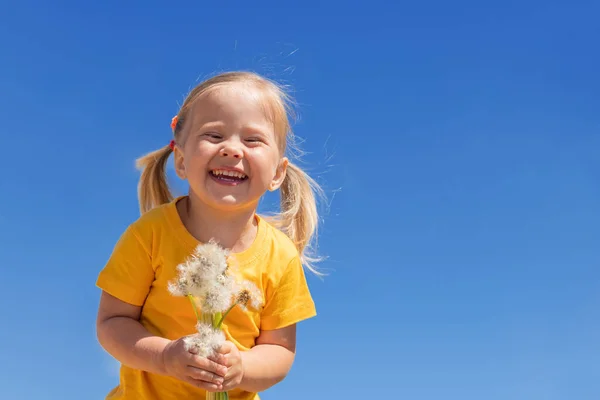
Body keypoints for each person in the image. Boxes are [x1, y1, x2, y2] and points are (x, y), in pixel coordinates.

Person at [95, 71, 324, 400]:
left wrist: (243, 367)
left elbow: (280, 351)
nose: (232, 149)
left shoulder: (281, 255)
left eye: (252, 140)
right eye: (214, 136)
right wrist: (164, 357)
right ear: (182, 160)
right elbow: (112, 322)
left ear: (277, 173)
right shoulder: (150, 235)